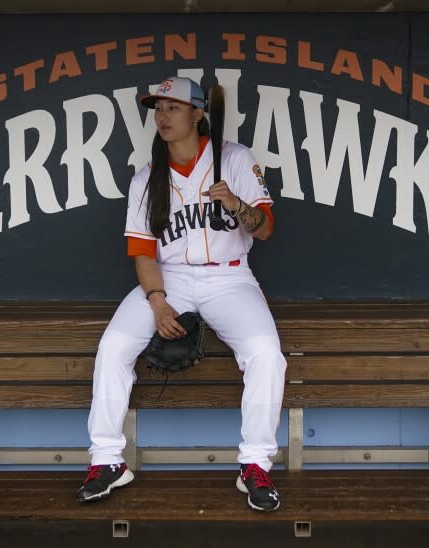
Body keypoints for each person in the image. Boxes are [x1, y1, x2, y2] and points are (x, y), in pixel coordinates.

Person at [76, 77, 286, 512]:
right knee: (113, 346)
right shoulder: (147, 178)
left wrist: (237, 207)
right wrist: (156, 301)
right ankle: (108, 461)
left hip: (229, 278)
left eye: (173, 107)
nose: (163, 116)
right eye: (158, 108)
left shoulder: (234, 159)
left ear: (197, 114)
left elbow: (265, 230)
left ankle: (254, 464)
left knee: (266, 353)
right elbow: (142, 253)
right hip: (167, 278)